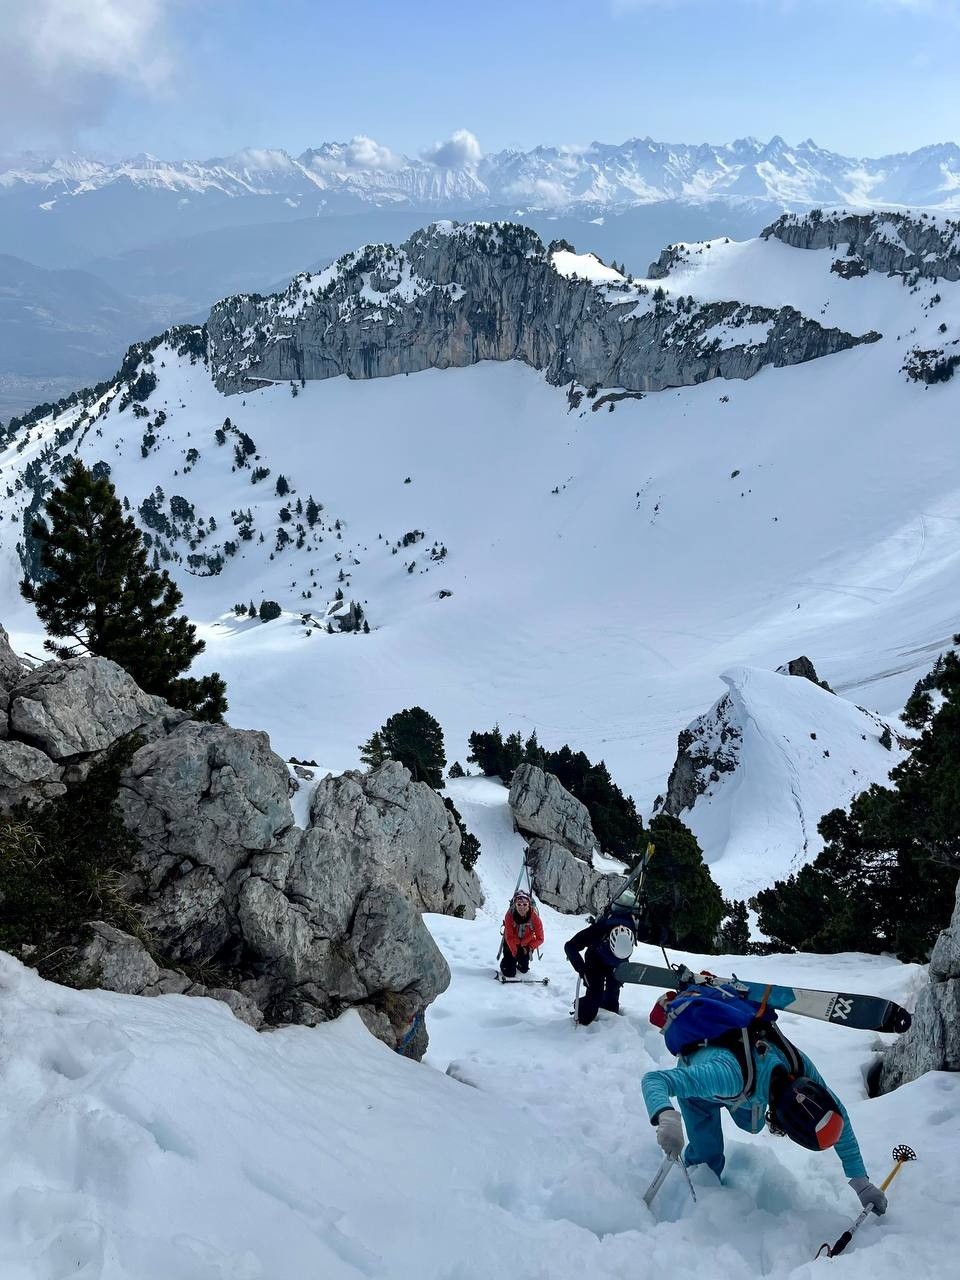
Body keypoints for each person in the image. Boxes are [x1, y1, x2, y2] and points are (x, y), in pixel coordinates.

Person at [641, 994, 889, 1216]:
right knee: (707, 1155)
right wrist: (666, 1116)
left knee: (751, 1125)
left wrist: (860, 1182)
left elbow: (839, 1119)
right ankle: (697, 1188)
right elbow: (655, 1080)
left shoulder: (799, 1068)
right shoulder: (727, 1076)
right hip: (700, 1086)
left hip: (747, 1088)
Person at [564, 886, 646, 1024]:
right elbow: (570, 946)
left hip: (618, 964)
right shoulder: (600, 928)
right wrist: (582, 970)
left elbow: (654, 931)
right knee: (592, 1002)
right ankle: (581, 1009)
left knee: (611, 1004)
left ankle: (607, 1025)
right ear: (607, 941)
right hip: (595, 960)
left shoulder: (634, 926)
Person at [500, 890, 544, 978]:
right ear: (515, 905)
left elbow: (540, 938)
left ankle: (521, 963)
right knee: (509, 973)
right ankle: (506, 964)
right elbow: (509, 936)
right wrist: (516, 951)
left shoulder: (535, 918)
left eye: (525, 904)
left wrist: (529, 948)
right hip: (511, 943)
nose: (522, 907)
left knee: (523, 969)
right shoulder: (509, 915)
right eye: (519, 904)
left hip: (526, 944)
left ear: (529, 905)